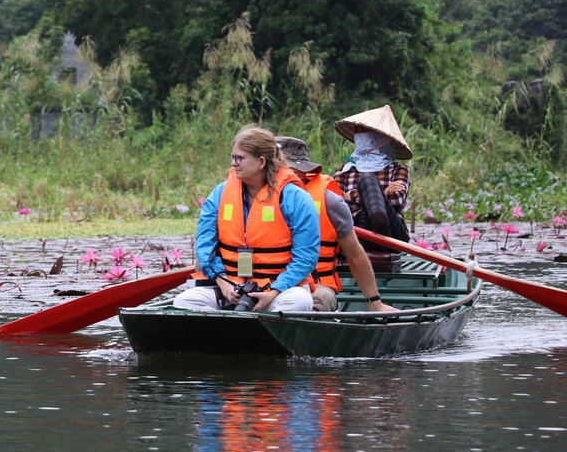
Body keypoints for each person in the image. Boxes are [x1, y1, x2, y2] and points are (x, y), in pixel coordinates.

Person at [175, 125, 318, 312]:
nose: (233, 163)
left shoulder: (295, 198)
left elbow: (306, 257)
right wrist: (223, 282)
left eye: (239, 158)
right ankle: (224, 333)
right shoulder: (220, 194)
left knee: (299, 302)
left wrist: (273, 292)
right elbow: (205, 245)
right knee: (184, 301)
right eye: (233, 157)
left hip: (279, 291)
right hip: (230, 287)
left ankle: (264, 332)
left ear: (260, 162)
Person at [277, 136, 397, 313]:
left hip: (316, 284)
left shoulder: (329, 199)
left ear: (302, 171)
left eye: (291, 170)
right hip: (265, 281)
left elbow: (354, 253)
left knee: (316, 301)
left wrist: (374, 302)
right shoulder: (249, 196)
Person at [332, 105, 412, 243]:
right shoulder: (345, 169)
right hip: (357, 228)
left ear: (381, 137)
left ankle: (380, 221)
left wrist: (350, 195)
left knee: (368, 179)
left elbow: (397, 200)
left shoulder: (399, 169)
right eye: (358, 132)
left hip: (393, 233)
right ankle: (376, 219)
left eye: (365, 132)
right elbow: (336, 202)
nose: (360, 136)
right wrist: (382, 193)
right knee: (367, 183)